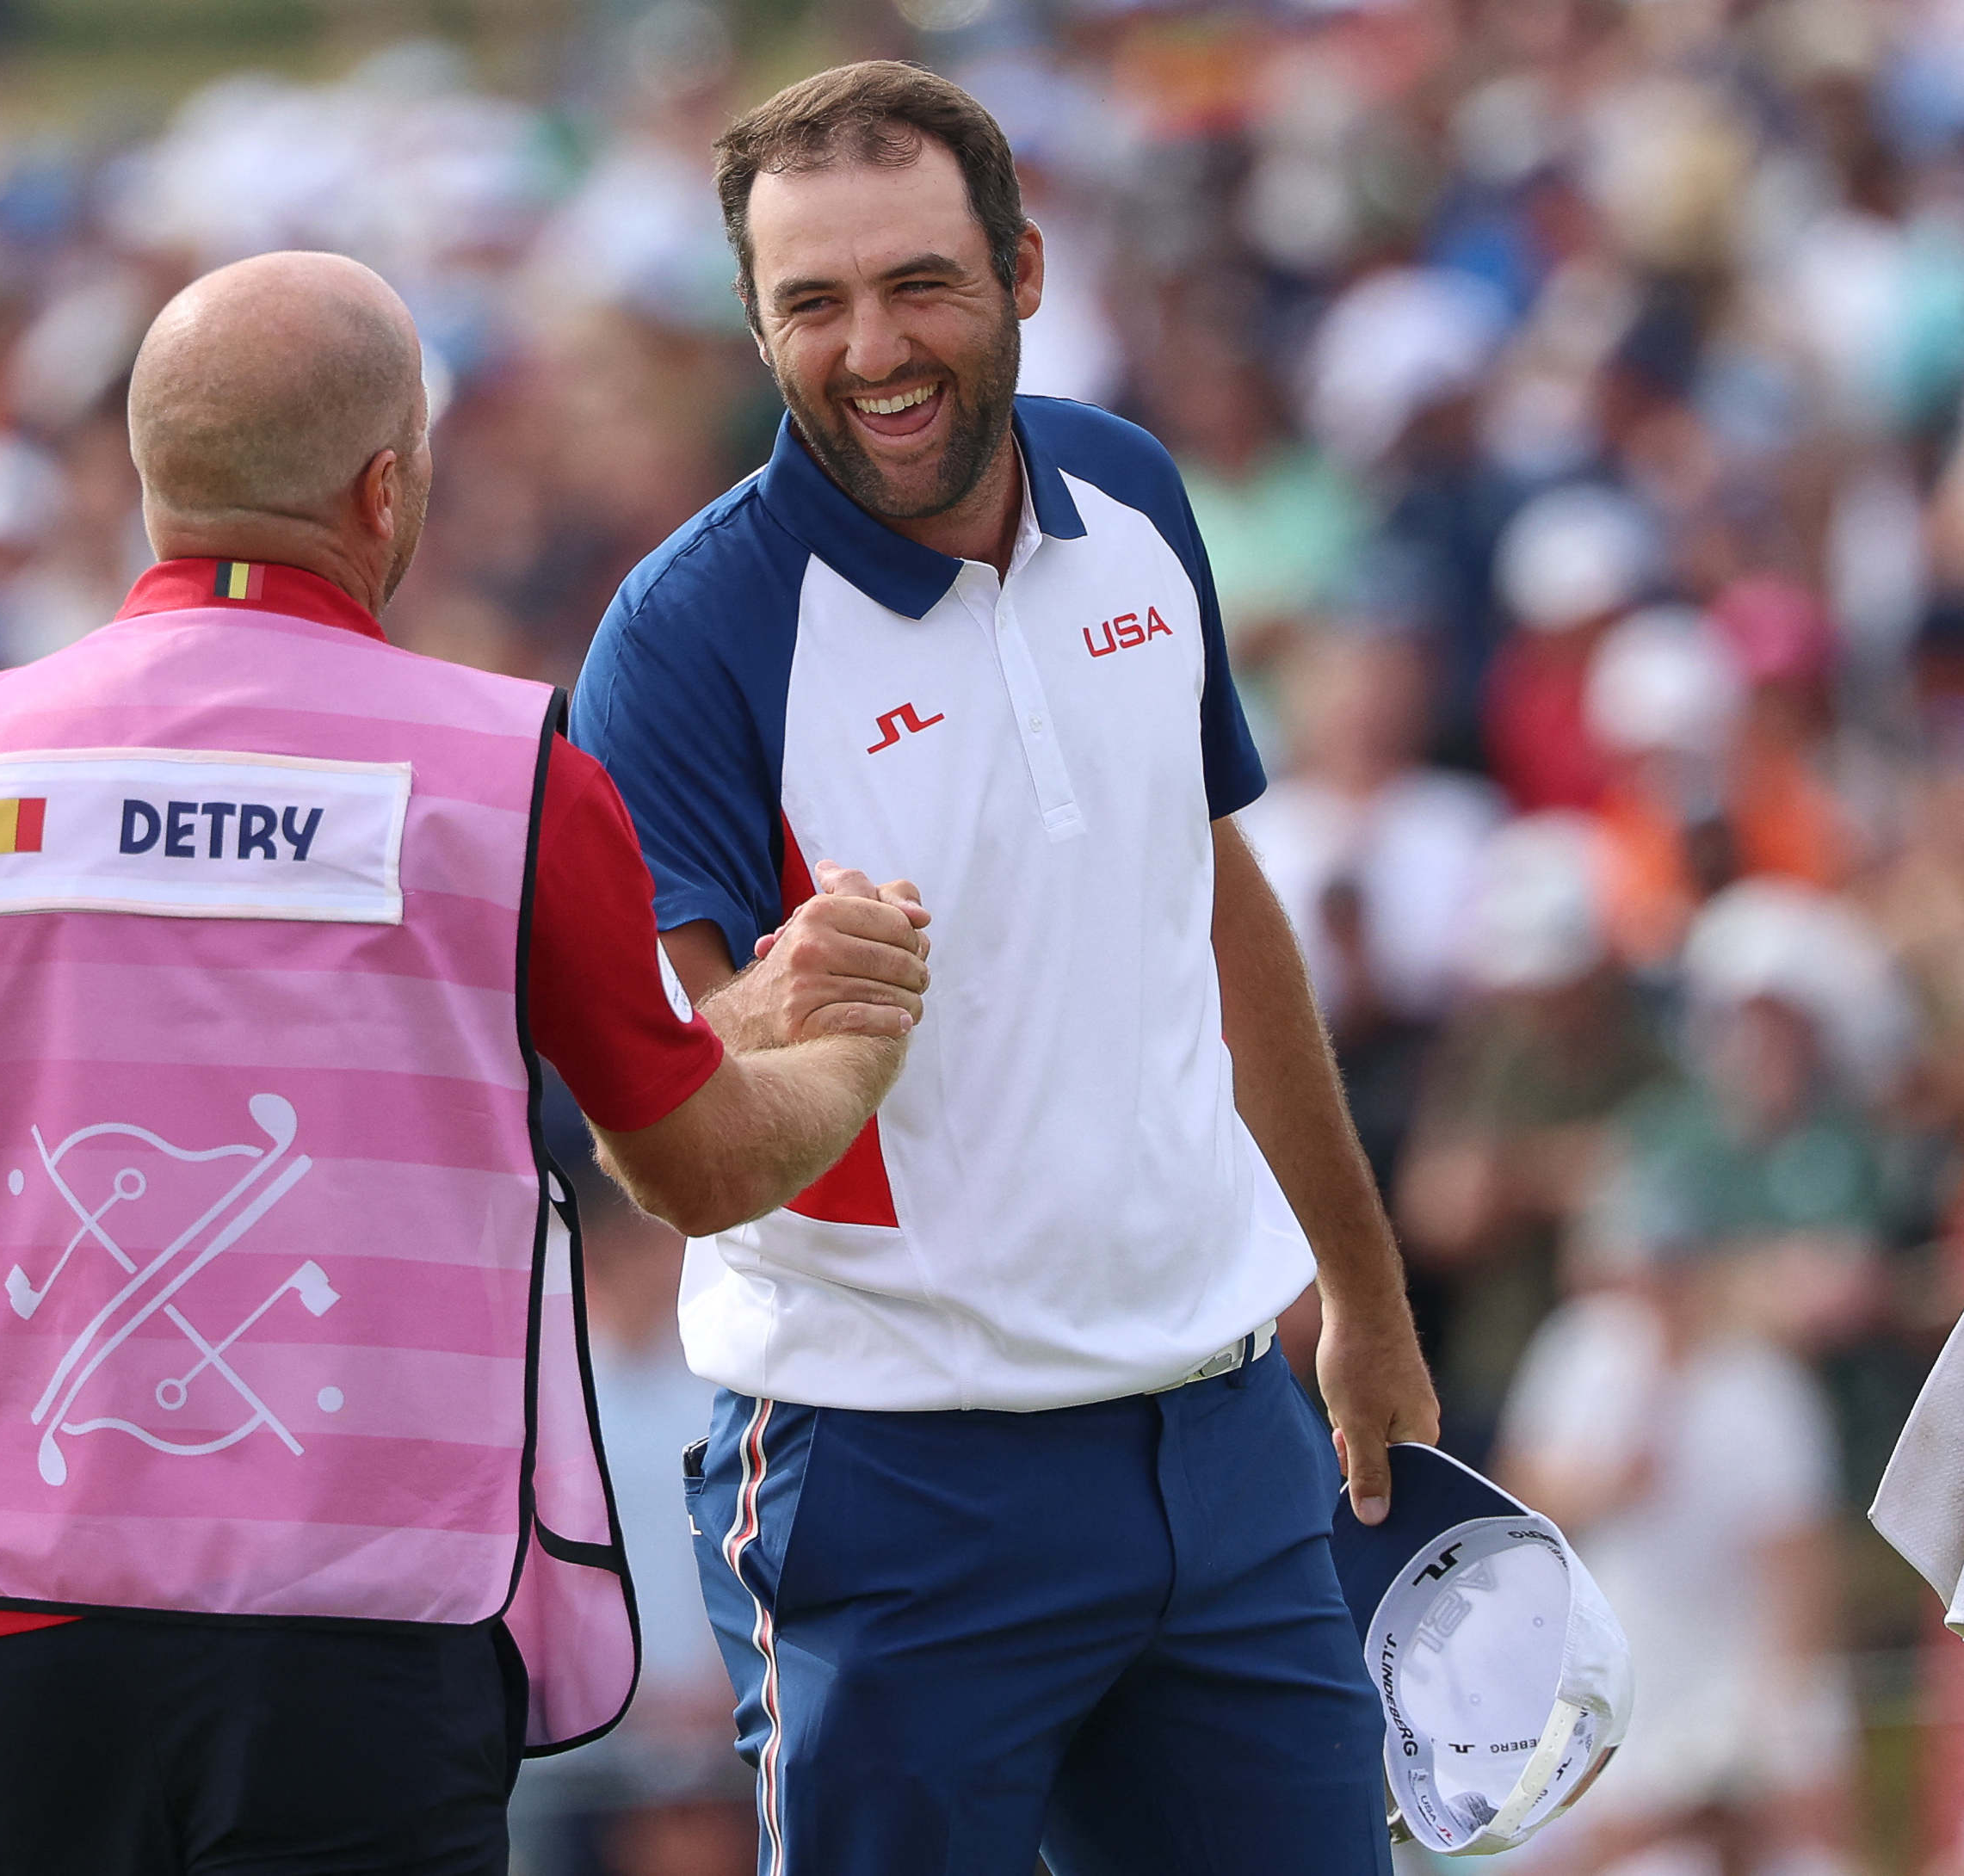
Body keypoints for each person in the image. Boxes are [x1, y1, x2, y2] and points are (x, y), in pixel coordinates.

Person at [0, 250, 936, 1876]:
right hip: (368, 1617)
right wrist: (845, 1037)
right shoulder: (508, 772)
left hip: (14, 1622)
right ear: (386, 487)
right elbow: (698, 1162)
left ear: (156, 482)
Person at [569, 63, 1439, 1874]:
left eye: (917, 284)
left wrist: (1359, 1293)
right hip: (887, 1481)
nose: (870, 348)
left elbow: (1209, 901)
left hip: (1220, 1437)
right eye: (811, 303)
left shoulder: (1130, 494)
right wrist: (777, 999)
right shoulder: (682, 633)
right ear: (755, 320)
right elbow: (659, 1118)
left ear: (1024, 268)